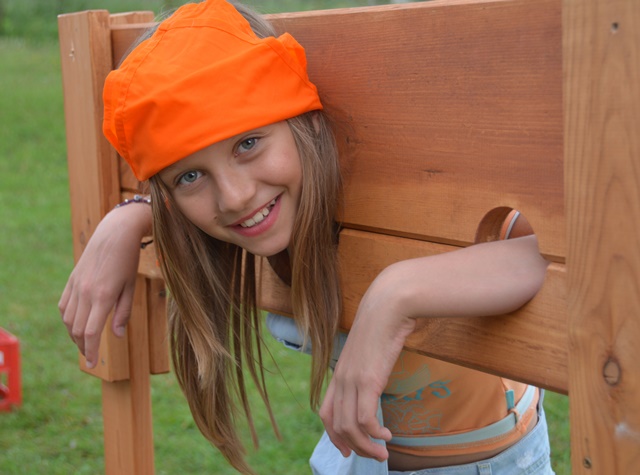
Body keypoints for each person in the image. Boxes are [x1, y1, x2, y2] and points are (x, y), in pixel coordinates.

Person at [58, 1, 554, 474]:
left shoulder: (428, 192)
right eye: (190, 176)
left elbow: (555, 259)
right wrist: (129, 216)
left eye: (248, 143)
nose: (234, 197)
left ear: (309, 124)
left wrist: (395, 295)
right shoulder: (237, 208)